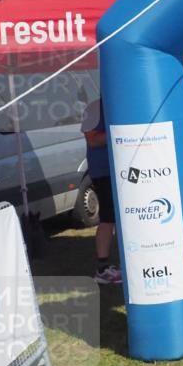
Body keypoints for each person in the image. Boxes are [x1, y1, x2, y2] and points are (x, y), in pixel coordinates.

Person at [80, 99, 122, 285]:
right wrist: (120, 131)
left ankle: (129, 263)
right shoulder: (94, 108)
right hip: (104, 171)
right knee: (108, 218)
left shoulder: (124, 101)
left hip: (124, 169)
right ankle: (103, 269)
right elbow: (92, 139)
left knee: (124, 217)